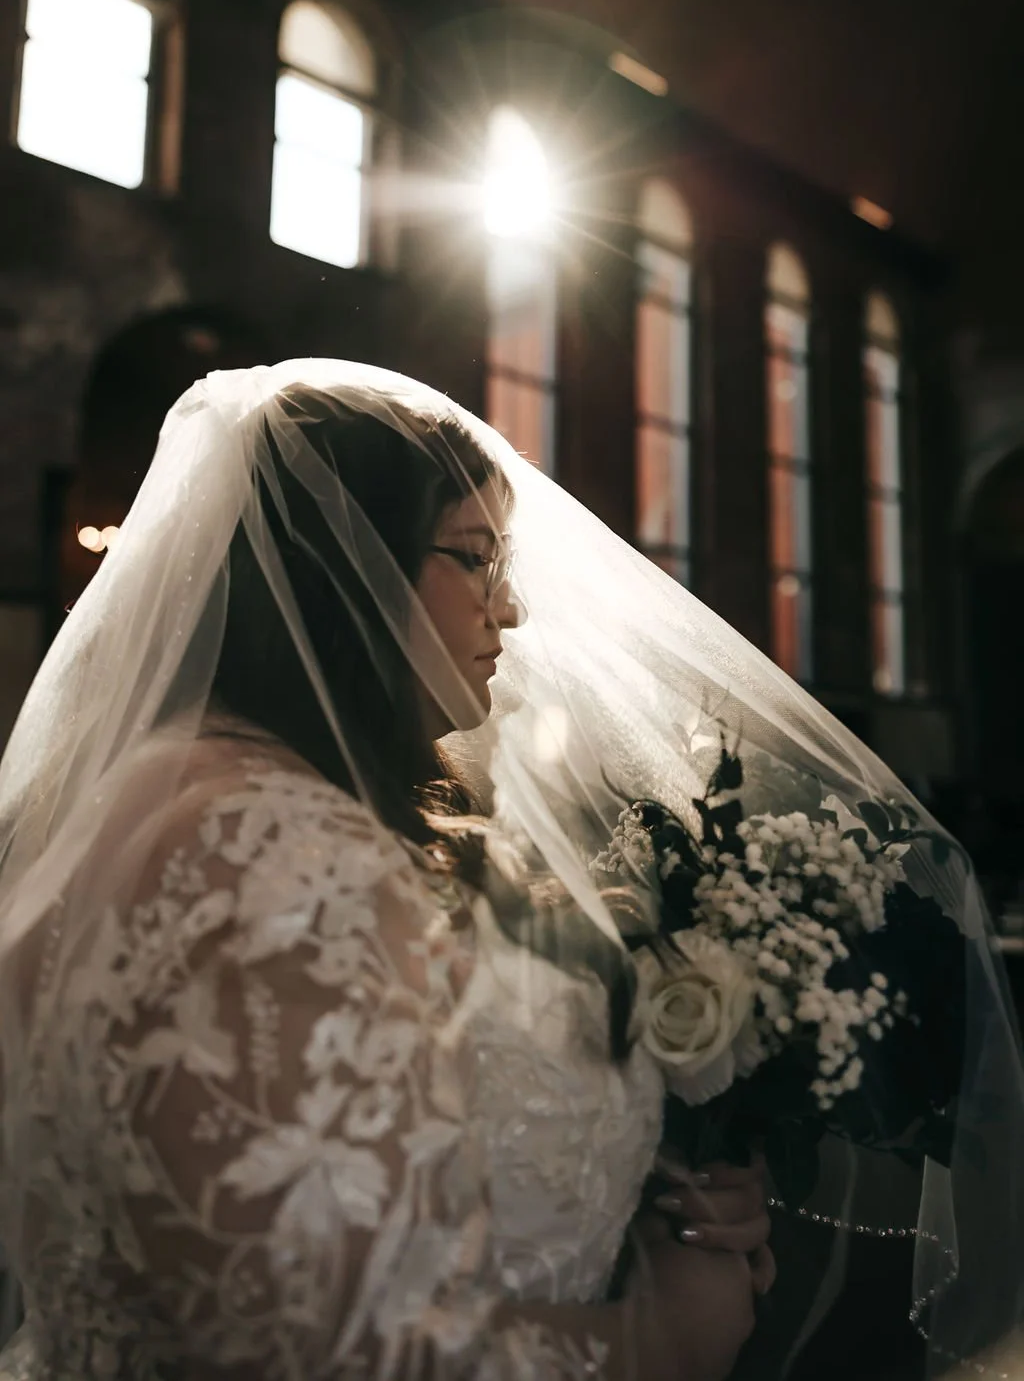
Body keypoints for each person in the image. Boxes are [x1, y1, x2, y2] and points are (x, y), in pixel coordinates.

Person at [0, 361, 1017, 1380]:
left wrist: (650, 1183)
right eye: (472, 557)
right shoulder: (290, 854)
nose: (512, 608)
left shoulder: (142, 805)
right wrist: (652, 1337)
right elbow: (341, 1347)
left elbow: (272, 1170)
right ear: (339, 570)